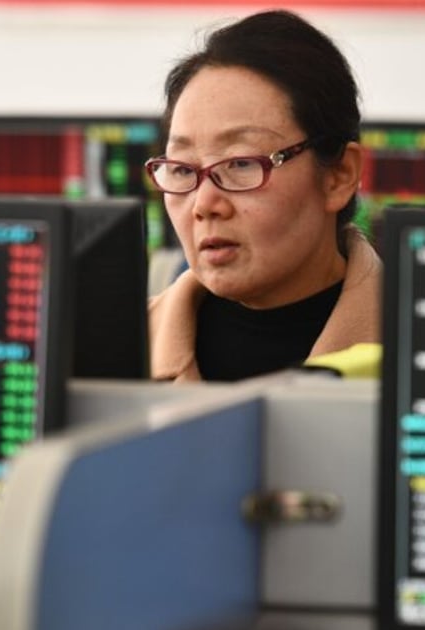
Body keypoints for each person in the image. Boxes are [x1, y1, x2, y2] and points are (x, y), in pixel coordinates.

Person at [146, 9, 382, 382]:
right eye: (181, 169)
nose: (205, 205)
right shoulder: (107, 355)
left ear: (339, 175)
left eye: (240, 164)